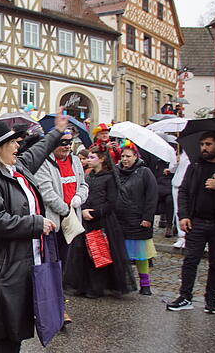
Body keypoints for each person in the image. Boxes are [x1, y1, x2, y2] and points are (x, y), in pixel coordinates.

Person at [0, 117, 65, 353]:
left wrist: (57, 132)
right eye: (12, 142)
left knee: (12, 333)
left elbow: (39, 150)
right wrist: (35, 224)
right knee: (10, 334)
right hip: (4, 268)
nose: (18, 146)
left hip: (24, 263)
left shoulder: (18, 167)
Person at [167, 131, 215, 314]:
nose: (204, 148)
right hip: (197, 221)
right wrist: (184, 216)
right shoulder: (196, 166)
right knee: (190, 260)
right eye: (202, 144)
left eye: (209, 144)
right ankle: (185, 296)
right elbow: (184, 191)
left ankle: (210, 300)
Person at [64, 147, 137, 298]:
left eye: (92, 157)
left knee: (99, 253)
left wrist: (95, 213)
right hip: (86, 220)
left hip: (102, 221)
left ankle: (97, 287)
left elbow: (112, 202)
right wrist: (83, 209)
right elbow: (82, 194)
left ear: (102, 159)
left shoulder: (110, 177)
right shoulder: (88, 176)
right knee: (84, 254)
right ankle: (84, 285)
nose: (88, 160)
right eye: (88, 157)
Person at [33, 127, 88, 324]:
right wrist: (65, 210)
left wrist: (78, 198)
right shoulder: (44, 163)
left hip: (71, 221)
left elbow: (84, 184)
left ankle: (57, 305)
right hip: (54, 223)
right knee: (51, 266)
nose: (66, 146)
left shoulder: (75, 161)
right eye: (62, 142)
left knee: (63, 266)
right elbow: (46, 192)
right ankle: (56, 309)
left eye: (69, 142)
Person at [114, 142, 158, 296]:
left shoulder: (145, 172)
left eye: (128, 156)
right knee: (120, 255)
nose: (125, 159)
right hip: (120, 221)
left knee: (141, 255)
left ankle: (145, 284)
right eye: (123, 156)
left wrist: (147, 217)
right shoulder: (116, 172)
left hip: (138, 220)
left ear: (135, 157)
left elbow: (151, 196)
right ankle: (122, 284)